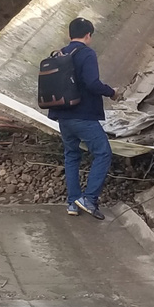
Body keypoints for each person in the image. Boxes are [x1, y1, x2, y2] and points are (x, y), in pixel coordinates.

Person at [45, 17, 119, 219]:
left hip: (62, 116)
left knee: (71, 156)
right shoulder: (86, 53)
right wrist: (111, 92)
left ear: (70, 35)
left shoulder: (60, 53)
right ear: (88, 35)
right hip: (83, 116)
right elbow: (92, 83)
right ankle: (89, 199)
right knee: (103, 153)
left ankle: (73, 203)